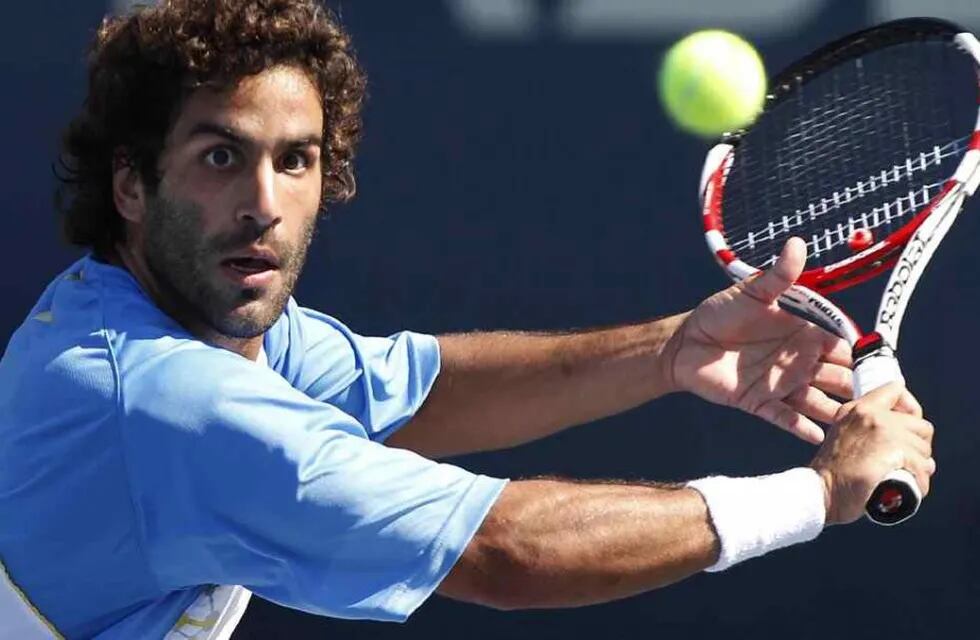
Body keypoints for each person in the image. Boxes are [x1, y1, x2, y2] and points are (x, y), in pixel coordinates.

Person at [0, 1, 935, 639]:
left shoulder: (179, 318)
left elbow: (422, 392)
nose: (263, 204)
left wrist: (672, 350)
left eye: (296, 160)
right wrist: (816, 494)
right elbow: (505, 552)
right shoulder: (166, 404)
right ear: (131, 183)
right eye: (218, 159)